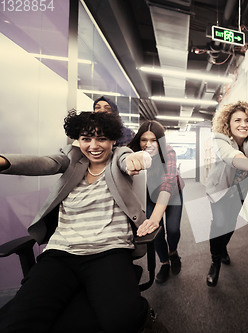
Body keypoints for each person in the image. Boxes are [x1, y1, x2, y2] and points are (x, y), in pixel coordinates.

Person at [0, 111, 167, 332]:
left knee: (123, 321)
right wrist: (3, 161)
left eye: (102, 138)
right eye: (86, 138)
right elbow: (45, 163)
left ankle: (147, 316)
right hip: (61, 253)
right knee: (18, 323)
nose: (94, 145)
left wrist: (140, 158)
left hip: (109, 250)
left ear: (113, 140)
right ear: (78, 140)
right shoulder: (72, 159)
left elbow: (130, 159)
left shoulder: (118, 157)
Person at [205, 100, 248, 287]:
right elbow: (230, 156)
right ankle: (215, 262)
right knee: (220, 223)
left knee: (230, 225)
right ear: (228, 124)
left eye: (247, 120)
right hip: (219, 190)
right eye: (237, 120)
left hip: (240, 190)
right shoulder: (220, 138)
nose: (243, 125)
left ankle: (222, 249)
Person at [128, 120, 184, 284]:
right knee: (157, 233)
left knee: (173, 229)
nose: (148, 144)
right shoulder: (134, 153)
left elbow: (168, 182)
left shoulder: (169, 152)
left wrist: (155, 217)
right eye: (144, 139)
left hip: (172, 193)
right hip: (150, 195)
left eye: (153, 140)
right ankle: (164, 263)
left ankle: (173, 252)